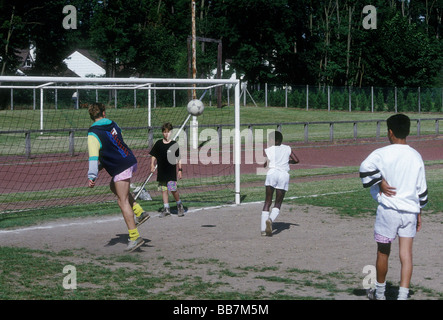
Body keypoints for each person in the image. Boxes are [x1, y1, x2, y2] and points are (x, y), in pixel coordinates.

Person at [359, 114, 428, 300]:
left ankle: (380, 294)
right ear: (408, 131)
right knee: (406, 255)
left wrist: (380, 181)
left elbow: (364, 168)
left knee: (383, 252)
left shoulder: (382, 153)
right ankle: (402, 296)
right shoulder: (416, 156)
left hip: (388, 211)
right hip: (410, 213)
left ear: (390, 132)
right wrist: (419, 213)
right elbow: (421, 190)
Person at [87, 103, 150, 252]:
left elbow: (93, 157)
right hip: (130, 160)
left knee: (122, 202)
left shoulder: (93, 133)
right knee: (113, 186)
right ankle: (139, 212)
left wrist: (92, 176)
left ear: (91, 117)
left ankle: (135, 237)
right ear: (104, 112)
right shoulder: (113, 124)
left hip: (121, 167)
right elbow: (114, 145)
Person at [261, 131, 299, 236]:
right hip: (283, 175)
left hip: (272, 173)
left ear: (275, 140)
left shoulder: (269, 150)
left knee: (267, 202)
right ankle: (270, 219)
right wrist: (287, 162)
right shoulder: (287, 148)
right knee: (278, 203)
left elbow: (265, 165)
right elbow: (296, 160)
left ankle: (263, 229)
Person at [149, 122, 185, 218]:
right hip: (162, 171)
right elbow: (153, 155)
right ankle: (166, 209)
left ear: (171, 132)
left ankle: (179, 205)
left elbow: (178, 158)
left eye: (168, 132)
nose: (166, 134)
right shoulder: (158, 143)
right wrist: (152, 165)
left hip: (171, 171)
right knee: (164, 190)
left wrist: (180, 170)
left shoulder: (174, 144)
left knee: (173, 189)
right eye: (164, 132)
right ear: (162, 133)